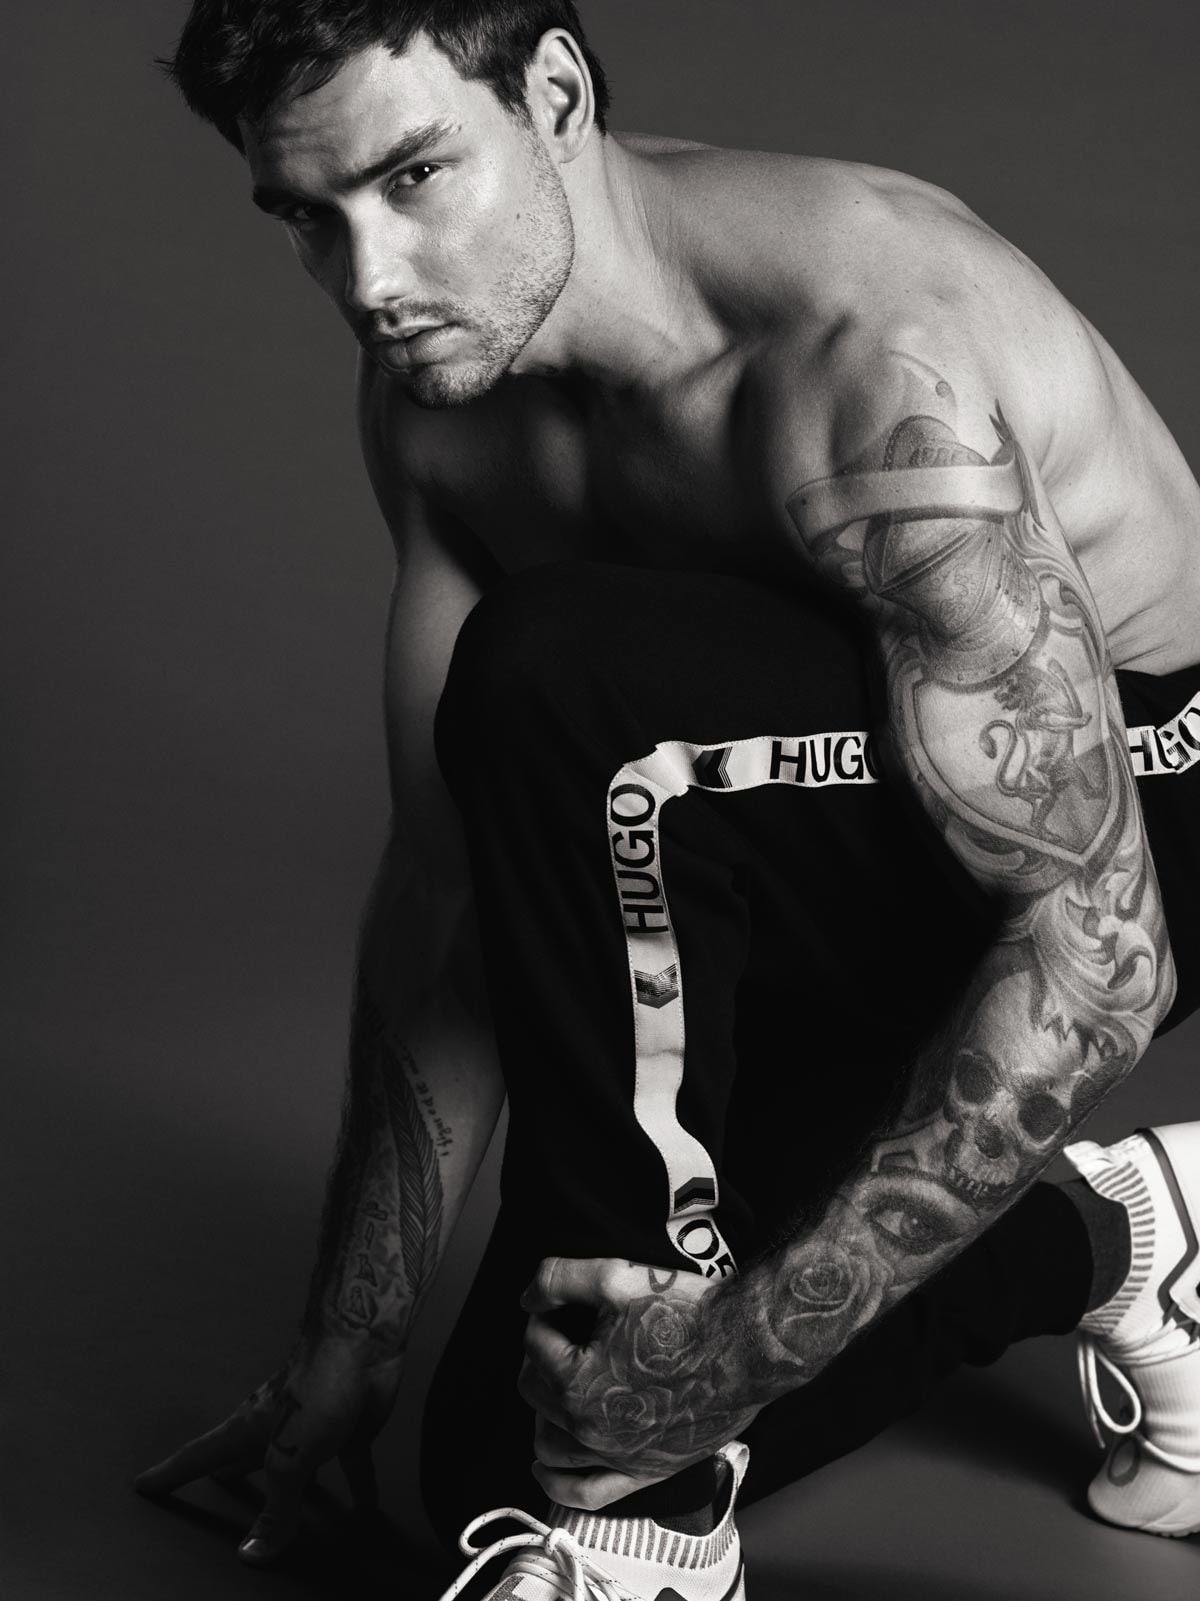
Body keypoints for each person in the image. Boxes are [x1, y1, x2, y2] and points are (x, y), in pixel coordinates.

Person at [135, 3, 1200, 1596]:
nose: (368, 281)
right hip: (806, 832)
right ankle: (1125, 1235)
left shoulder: (873, 360)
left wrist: (726, 1361)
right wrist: (348, 1332)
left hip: (1143, 809)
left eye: (413, 177)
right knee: (500, 1462)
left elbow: (1099, 946)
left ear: (555, 94)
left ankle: (648, 1523)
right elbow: (446, 880)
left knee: (567, 678)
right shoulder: (438, 390)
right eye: (308, 215)